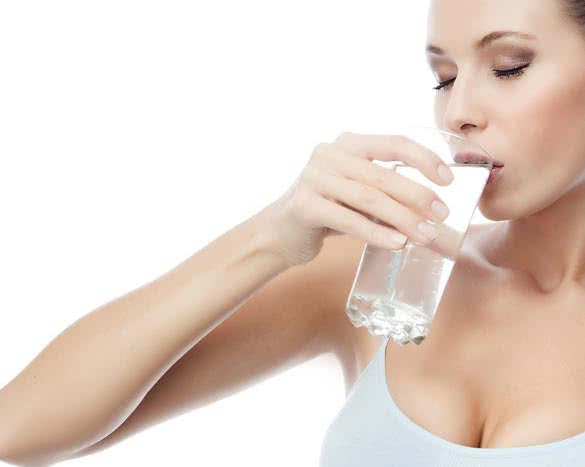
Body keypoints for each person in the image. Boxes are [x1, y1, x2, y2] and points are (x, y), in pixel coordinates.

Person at [3, 0, 585, 465]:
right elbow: (17, 429)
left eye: (510, 66)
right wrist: (273, 236)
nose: (459, 110)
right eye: (443, 77)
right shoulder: (390, 272)